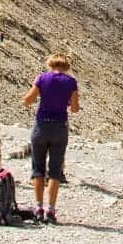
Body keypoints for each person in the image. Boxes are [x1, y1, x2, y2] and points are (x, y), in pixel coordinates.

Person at [22, 53, 79, 224]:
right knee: (55, 170)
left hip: (41, 126)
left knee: (38, 168)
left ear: (50, 64)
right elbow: (75, 108)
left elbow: (28, 100)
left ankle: (38, 207)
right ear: (65, 66)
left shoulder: (42, 78)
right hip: (60, 128)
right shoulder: (71, 82)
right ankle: (51, 210)